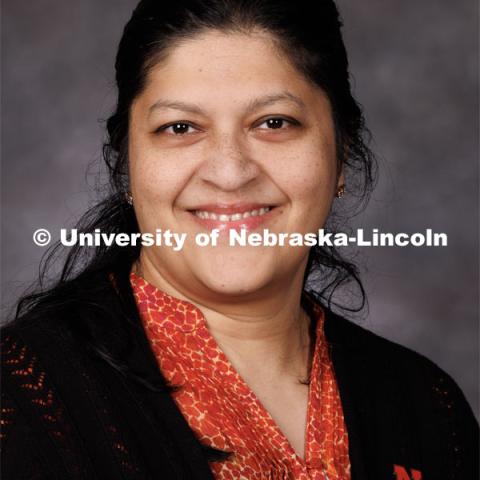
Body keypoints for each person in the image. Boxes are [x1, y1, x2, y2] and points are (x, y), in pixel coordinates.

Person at [1, 1, 478, 479]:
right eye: (180, 128)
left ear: (341, 151)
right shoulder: (20, 397)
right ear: (126, 165)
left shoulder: (427, 404)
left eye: (274, 122)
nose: (230, 173)